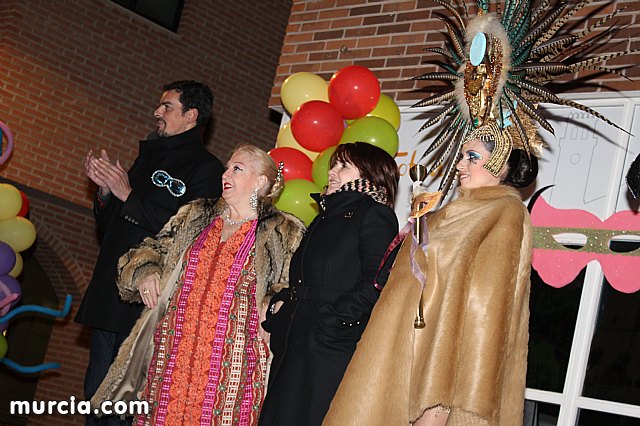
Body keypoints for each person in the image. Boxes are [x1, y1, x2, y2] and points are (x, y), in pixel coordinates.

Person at [323, 122, 538, 426]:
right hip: (406, 344)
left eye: (472, 157)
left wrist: (463, 377)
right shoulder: (449, 213)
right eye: (462, 156)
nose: (460, 165)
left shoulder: (505, 212)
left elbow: (488, 306)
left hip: (444, 359)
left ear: (500, 164)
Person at [91, 144, 305, 426]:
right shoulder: (196, 215)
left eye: (237, 169)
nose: (225, 173)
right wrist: (145, 273)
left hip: (235, 367)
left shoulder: (284, 230)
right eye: (227, 167)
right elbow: (149, 251)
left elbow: (296, 290)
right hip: (172, 357)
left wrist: (273, 307)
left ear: (261, 181)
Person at [75, 80, 224, 425]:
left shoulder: (207, 171)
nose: (157, 112)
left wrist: (127, 195)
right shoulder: (149, 156)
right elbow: (111, 225)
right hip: (111, 295)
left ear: (191, 116)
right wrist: (106, 194)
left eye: (167, 107)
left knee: (124, 404)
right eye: (160, 106)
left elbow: (190, 234)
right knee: (95, 396)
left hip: (147, 301)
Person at [259, 142, 400, 426]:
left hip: (327, 344)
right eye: (333, 165)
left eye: (343, 166)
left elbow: (379, 279)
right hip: (294, 338)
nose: (332, 172)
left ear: (370, 176)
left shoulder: (373, 213)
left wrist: (334, 320)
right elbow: (306, 278)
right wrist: (280, 305)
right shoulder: (324, 216)